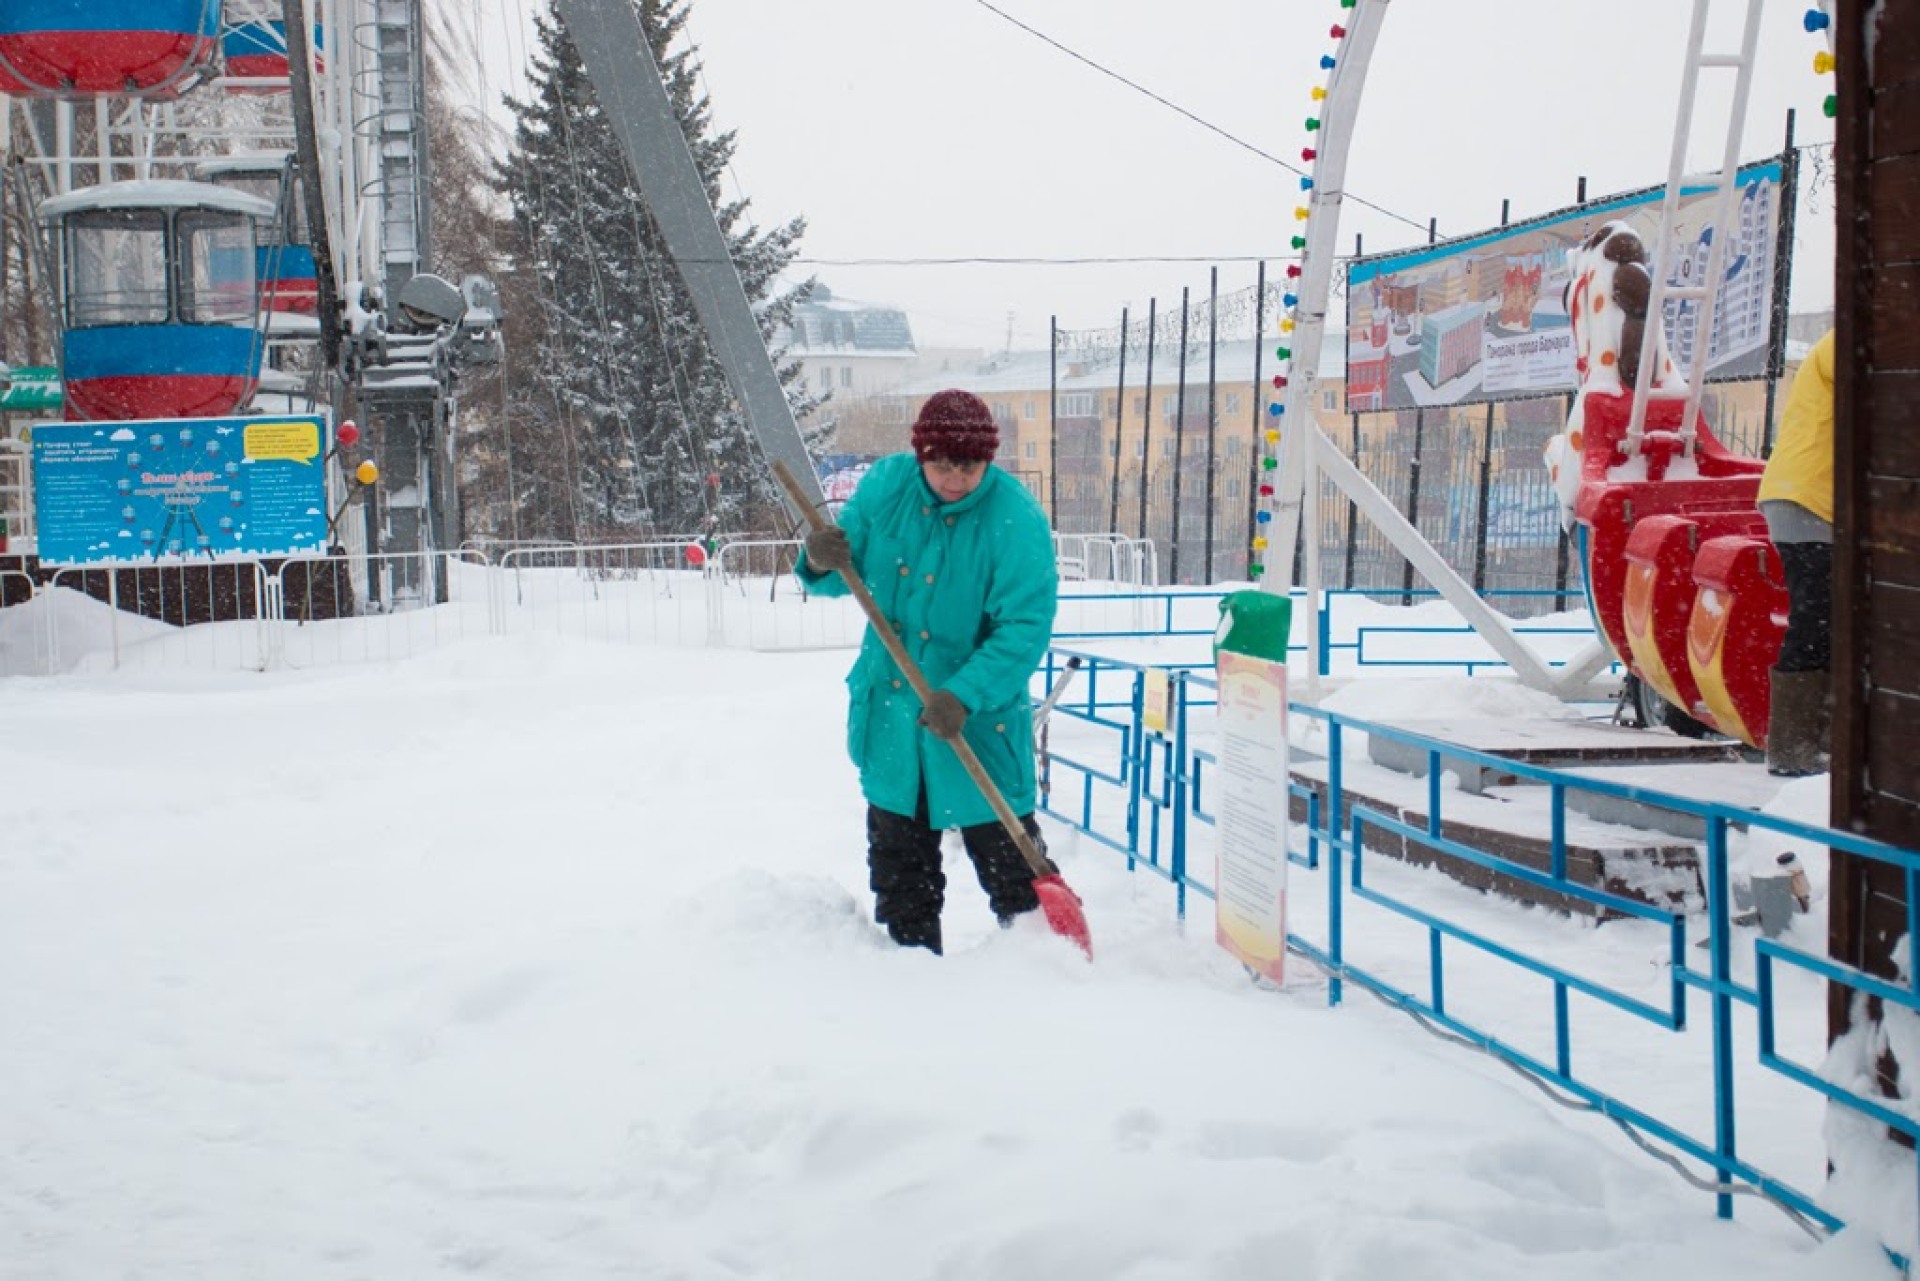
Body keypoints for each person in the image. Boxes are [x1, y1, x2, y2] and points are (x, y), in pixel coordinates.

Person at [796, 389, 1059, 954]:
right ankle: (910, 987)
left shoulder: (1016, 520)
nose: (956, 479)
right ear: (920, 456)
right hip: (892, 723)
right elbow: (845, 569)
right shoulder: (886, 487)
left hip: (975, 727)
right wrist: (819, 558)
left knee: (1014, 876)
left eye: (969, 466)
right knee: (902, 882)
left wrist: (964, 693)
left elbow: (1024, 628)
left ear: (988, 460)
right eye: (942, 465)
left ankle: (1052, 978)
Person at [1756, 328, 1835, 776]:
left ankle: (1816, 743)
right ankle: (1793, 749)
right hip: (1809, 497)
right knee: (1818, 619)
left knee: (1827, 618)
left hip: (1808, 494)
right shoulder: (1847, 341)